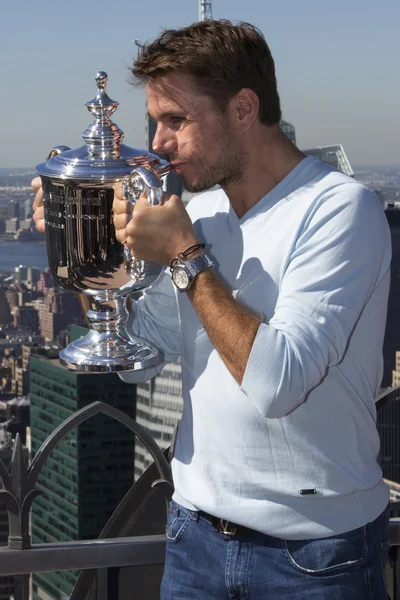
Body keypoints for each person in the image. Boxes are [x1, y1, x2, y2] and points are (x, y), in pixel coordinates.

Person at [32, 20, 392, 600]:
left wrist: (183, 254)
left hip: (315, 555)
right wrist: (84, 248)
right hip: (194, 536)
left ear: (244, 109)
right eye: (154, 122)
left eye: (176, 120)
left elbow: (279, 383)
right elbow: (140, 356)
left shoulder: (339, 210)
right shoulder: (202, 212)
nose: (158, 144)